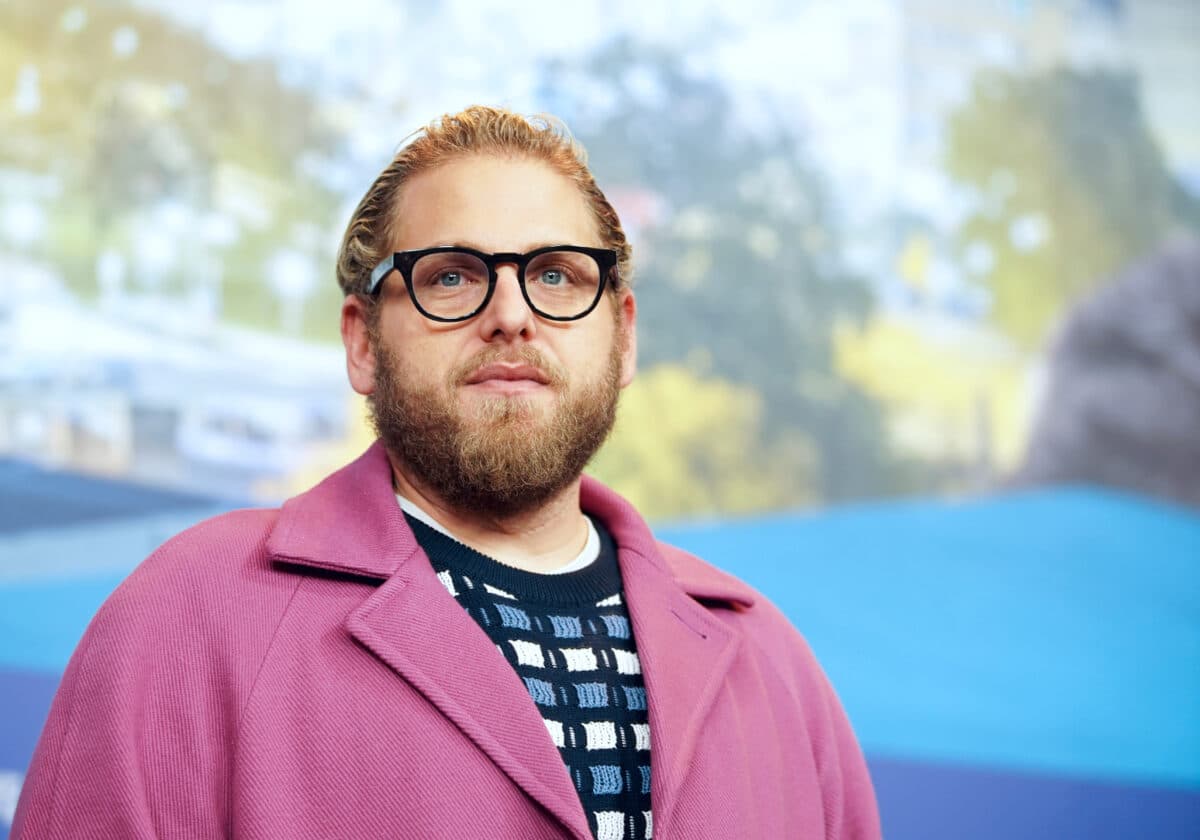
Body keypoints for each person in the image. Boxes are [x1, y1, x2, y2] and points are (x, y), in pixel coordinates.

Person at [12, 106, 880, 839]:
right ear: (362, 341)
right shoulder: (184, 620)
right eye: (455, 276)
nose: (512, 315)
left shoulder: (772, 662)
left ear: (623, 338)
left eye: (556, 274)